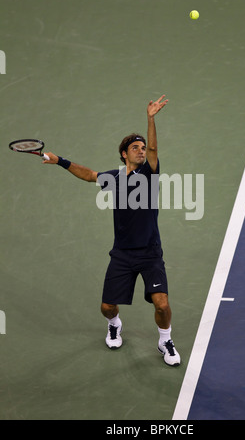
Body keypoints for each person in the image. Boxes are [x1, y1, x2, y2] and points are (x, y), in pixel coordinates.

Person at [43, 95, 180, 366]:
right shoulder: (115, 178)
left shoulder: (149, 174)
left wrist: (150, 118)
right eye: (136, 148)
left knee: (162, 304)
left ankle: (165, 340)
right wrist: (59, 160)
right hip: (122, 254)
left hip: (150, 252)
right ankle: (115, 324)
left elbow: (154, 150)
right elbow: (89, 174)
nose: (142, 150)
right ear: (124, 154)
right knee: (107, 307)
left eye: (143, 147)